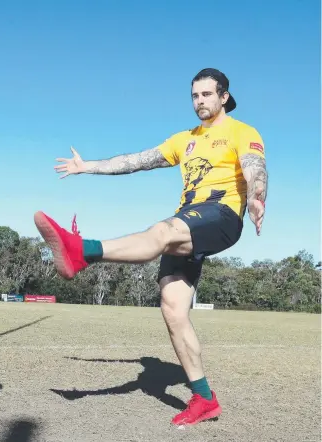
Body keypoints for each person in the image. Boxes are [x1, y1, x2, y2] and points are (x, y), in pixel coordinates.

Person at [34, 68, 268, 427]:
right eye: (194, 96)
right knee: (173, 310)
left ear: (223, 97)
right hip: (189, 219)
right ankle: (205, 398)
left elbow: (255, 169)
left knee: (162, 231)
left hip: (220, 216)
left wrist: (255, 198)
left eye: (206, 95)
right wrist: (87, 167)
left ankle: (83, 250)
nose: (199, 102)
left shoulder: (242, 132)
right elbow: (138, 161)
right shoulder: (184, 140)